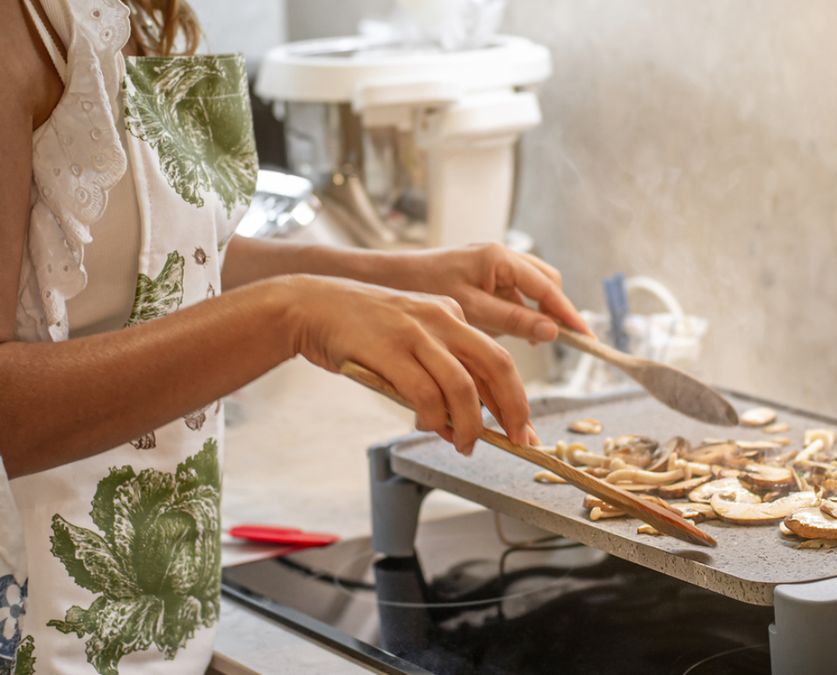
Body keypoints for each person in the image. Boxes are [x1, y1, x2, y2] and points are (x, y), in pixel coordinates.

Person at [0, 1, 589, 672]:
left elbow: (166, 258)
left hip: (159, 629)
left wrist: (408, 276)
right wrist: (295, 314)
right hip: (41, 630)